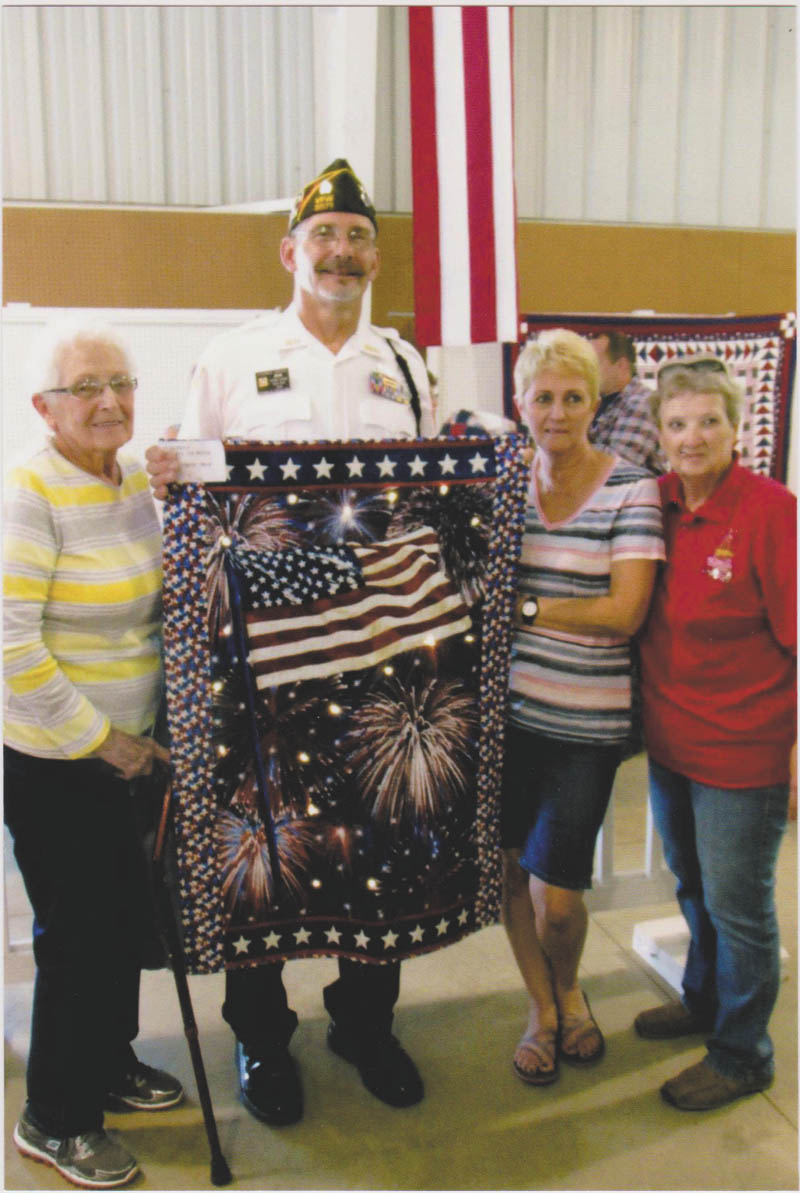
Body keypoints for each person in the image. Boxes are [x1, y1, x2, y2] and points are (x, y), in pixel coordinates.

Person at [146, 159, 431, 1125]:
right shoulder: (231, 358)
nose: (341, 251)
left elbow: (425, 505)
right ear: (291, 251)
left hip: (379, 648)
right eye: (325, 236)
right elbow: (191, 497)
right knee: (263, 846)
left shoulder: (408, 363)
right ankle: (262, 1042)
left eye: (357, 237)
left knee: (378, 838)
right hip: (263, 654)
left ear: (374, 256)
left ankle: (366, 1020)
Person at [4, 322, 182, 1190]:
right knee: (75, 937)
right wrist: (102, 741)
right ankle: (55, 1116)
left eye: (120, 381)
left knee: (122, 922)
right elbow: (10, 645)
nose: (108, 400)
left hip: (133, 752)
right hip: (56, 759)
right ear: (44, 406)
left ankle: (108, 1061)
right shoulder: (28, 492)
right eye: (85, 387)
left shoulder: (138, 480)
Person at [633, 354, 796, 1110]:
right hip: (672, 743)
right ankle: (702, 998)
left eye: (708, 421)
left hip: (744, 750)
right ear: (659, 432)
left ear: (737, 426)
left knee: (739, 906)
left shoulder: (770, 511)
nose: (691, 437)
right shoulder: (653, 501)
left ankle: (741, 1054)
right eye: (676, 423)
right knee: (693, 885)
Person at [501, 328, 664, 1085]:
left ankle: (571, 984)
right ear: (521, 403)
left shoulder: (630, 487)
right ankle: (543, 1006)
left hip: (587, 725)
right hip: (506, 719)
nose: (558, 412)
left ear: (595, 402)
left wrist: (526, 608)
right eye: (544, 397)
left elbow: (625, 610)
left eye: (573, 397)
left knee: (559, 897)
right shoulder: (503, 489)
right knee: (509, 876)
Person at [587, 330, 666, 474]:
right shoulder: (596, 403)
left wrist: (569, 444)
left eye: (593, 363)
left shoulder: (643, 402)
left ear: (621, 365)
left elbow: (617, 467)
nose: (586, 371)